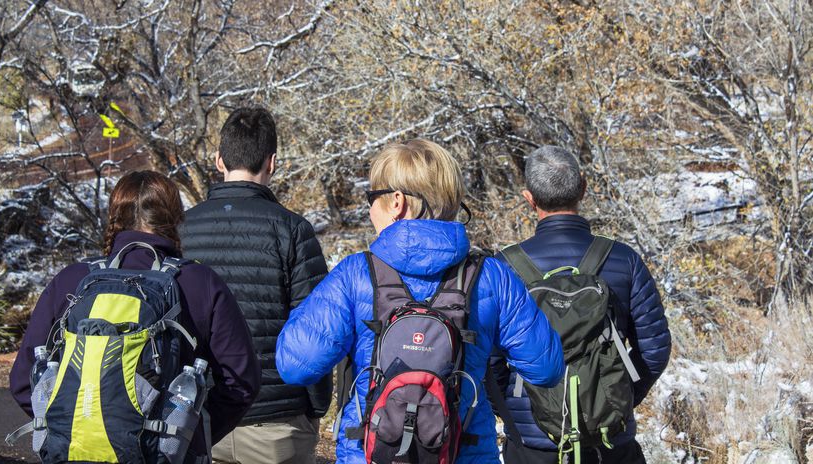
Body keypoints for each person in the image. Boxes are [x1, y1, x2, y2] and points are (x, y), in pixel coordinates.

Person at [275, 139, 565, 464]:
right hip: (464, 453)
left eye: (372, 197)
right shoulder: (492, 276)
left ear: (396, 202)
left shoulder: (355, 275)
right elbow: (547, 369)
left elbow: (294, 365)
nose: (369, 208)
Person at [9, 170, 261, 461]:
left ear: (114, 216)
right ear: (174, 218)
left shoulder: (72, 281)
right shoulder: (200, 282)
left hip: (74, 453)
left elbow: (24, 379)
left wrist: (71, 428)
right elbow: (241, 382)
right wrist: (180, 434)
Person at [495, 145, 672, 463]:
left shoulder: (503, 267)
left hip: (531, 444)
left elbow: (489, 361)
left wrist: (512, 412)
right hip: (610, 440)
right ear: (584, 187)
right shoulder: (624, 260)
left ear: (529, 198)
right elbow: (654, 350)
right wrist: (617, 399)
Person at [180, 107, 331, 464]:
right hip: (278, 421)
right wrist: (317, 405)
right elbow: (314, 331)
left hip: (198, 417)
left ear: (219, 160)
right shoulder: (293, 231)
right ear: (272, 162)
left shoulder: (181, 229)